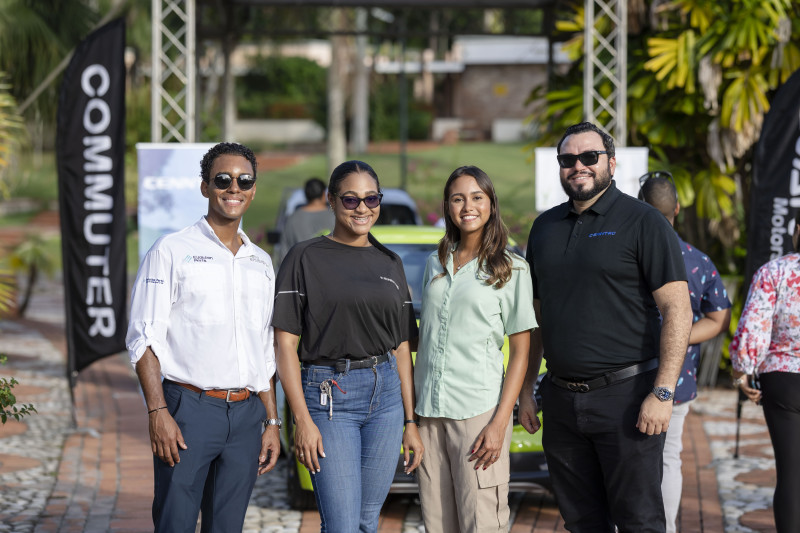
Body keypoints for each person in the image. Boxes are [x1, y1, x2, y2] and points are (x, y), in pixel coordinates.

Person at [517, 122, 693, 532]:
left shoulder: (644, 221)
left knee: (639, 521)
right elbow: (536, 317)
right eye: (568, 159)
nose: (578, 165)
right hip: (561, 401)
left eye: (589, 157)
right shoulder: (544, 228)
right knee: (581, 522)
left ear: (611, 164)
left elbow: (678, 310)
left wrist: (663, 393)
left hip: (627, 399)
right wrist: (526, 389)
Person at [126, 142, 280, 533]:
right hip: (188, 410)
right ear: (205, 187)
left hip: (246, 415)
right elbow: (143, 338)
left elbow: (264, 351)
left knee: (227, 527)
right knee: (175, 523)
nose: (234, 188)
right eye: (223, 179)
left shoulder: (261, 263)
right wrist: (158, 412)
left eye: (244, 180)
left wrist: (272, 421)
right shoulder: (171, 250)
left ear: (253, 189)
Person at [272, 160, 423, 532]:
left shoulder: (390, 262)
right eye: (351, 199)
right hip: (329, 397)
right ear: (331, 200)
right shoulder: (304, 257)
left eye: (371, 198)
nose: (362, 208)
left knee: (366, 522)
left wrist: (410, 421)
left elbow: (402, 347)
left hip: (386, 398)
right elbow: (284, 345)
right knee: (341, 525)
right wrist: (301, 420)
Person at [414, 166, 536, 532]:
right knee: (437, 524)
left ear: (491, 204)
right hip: (429, 413)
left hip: (478, 415)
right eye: (458, 199)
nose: (468, 206)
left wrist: (500, 422)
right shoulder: (434, 263)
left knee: (480, 523)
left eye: (477, 197)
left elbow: (521, 351)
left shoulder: (512, 268)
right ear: (448, 207)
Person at [639, 172, 732, 533]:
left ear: (640, 207)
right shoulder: (698, 260)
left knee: (625, 460)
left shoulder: (628, 255)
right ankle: (667, 527)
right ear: (677, 208)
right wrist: (679, 338)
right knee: (669, 457)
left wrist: (667, 337)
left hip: (625, 375)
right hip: (678, 380)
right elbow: (719, 318)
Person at [729, 211, 800, 533]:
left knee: (791, 474)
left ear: (797, 230)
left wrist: (741, 374)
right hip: (784, 382)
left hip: (784, 381)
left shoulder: (775, 271)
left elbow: (753, 329)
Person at [275, 177, 334, 267]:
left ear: (306, 194)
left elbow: (284, 254)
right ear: (324, 194)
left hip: (301, 272)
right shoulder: (335, 217)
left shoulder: (293, 219)